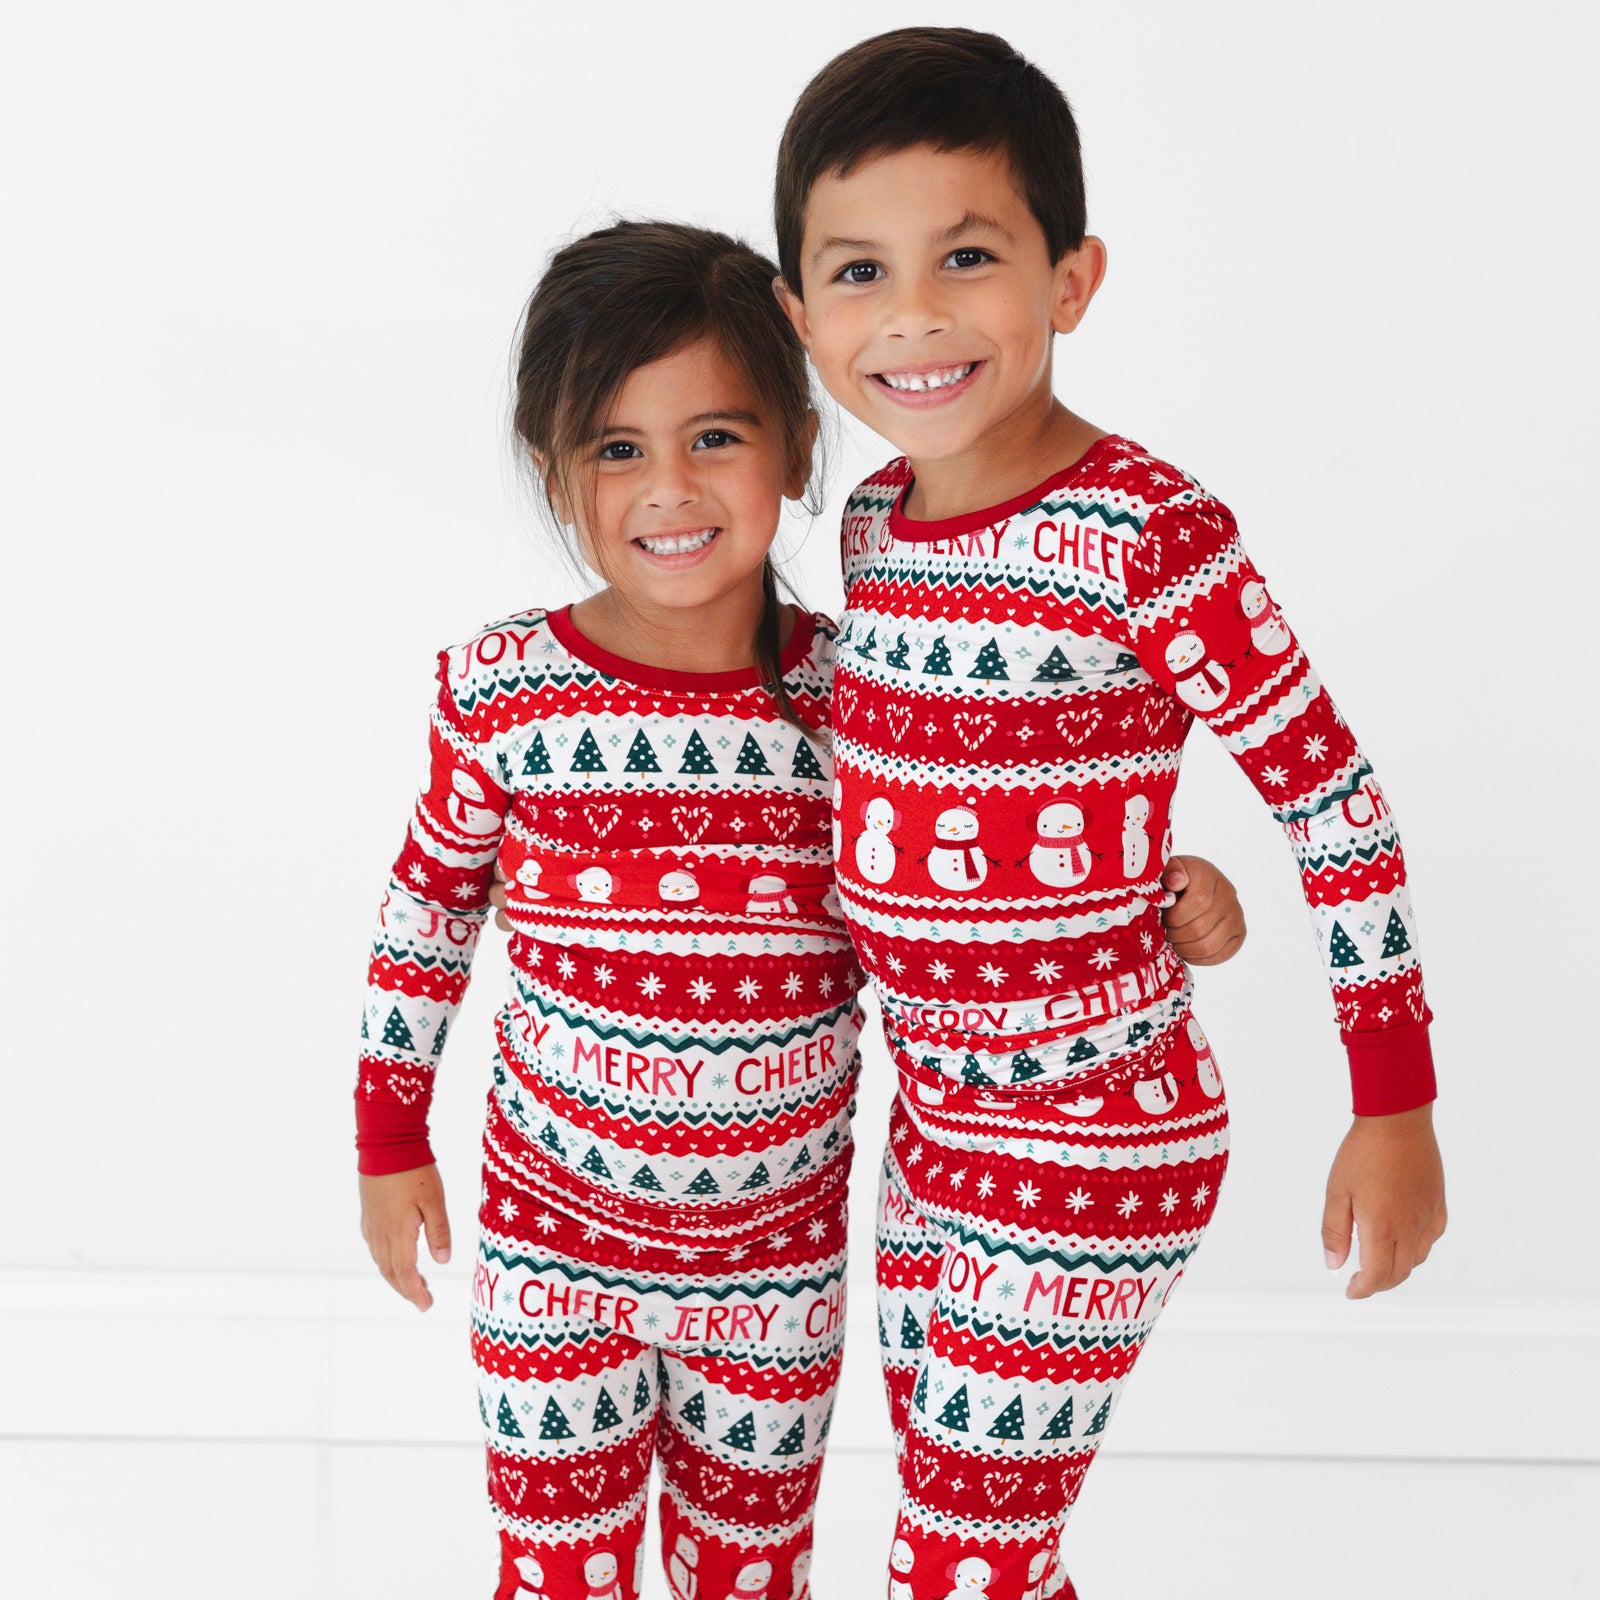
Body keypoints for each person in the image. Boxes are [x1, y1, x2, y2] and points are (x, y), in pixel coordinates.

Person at [356, 219, 1248, 1600]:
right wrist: (387, 1132)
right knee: (554, 1572)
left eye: (716, 437)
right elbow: (426, 915)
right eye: (616, 448)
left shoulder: (856, 696)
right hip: (552, 1256)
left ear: (796, 448)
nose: (670, 488)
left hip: (776, 1270)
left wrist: (1170, 896)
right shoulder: (502, 694)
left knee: (754, 1570)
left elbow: (985, 891)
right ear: (554, 471)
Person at [771, 28, 1447, 1600]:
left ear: (1071, 280)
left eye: (968, 257)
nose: (916, 315)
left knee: (959, 1559)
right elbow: (934, 760)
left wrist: (1394, 1099)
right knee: (973, 1541)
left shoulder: (1153, 535)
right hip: (926, 1134)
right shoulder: (873, 525)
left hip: (1094, 1134)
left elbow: (1333, 801)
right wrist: (1149, 870)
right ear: (801, 314)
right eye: (859, 275)